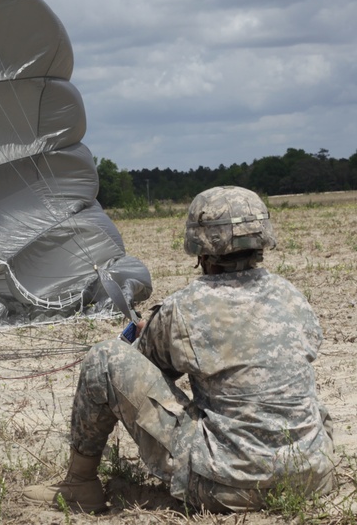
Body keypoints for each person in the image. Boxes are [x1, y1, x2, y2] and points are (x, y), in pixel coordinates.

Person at [21, 186, 336, 513]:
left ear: (200, 247)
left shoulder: (185, 308)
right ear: (261, 239)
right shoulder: (293, 296)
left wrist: (150, 331)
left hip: (227, 488)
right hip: (314, 478)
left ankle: (79, 485)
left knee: (105, 359)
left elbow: (146, 371)